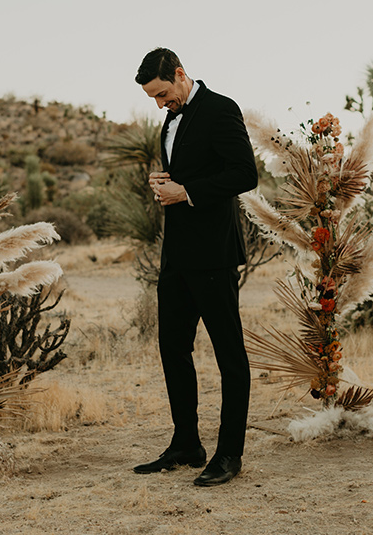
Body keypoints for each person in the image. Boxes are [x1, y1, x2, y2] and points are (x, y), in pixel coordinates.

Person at [132, 47, 258, 486]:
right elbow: (188, 174)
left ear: (181, 75)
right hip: (177, 257)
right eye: (154, 98)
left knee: (229, 356)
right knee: (172, 348)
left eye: (163, 93)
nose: (160, 103)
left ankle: (229, 455)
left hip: (213, 256)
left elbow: (244, 174)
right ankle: (187, 442)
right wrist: (166, 185)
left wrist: (186, 191)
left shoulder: (221, 109)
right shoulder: (170, 119)